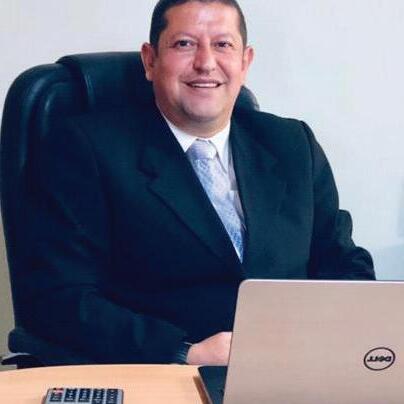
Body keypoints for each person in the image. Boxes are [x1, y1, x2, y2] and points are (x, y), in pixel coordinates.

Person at [25, 0, 374, 366]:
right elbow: (58, 296)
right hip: (164, 373)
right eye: (184, 44)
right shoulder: (87, 149)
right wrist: (184, 352)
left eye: (223, 44)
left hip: (293, 367)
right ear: (150, 60)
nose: (206, 62)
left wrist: (335, 340)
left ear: (245, 62)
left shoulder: (292, 144)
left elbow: (343, 264)